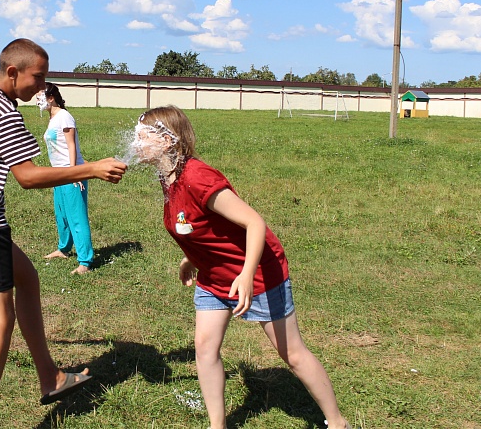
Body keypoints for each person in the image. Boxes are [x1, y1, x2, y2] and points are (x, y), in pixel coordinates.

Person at [0, 38, 127, 429]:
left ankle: (51, 377)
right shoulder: (4, 113)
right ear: (13, 73)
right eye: (39, 77)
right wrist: (90, 168)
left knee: (27, 279)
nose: (43, 86)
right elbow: (27, 177)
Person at [133, 105, 352, 429]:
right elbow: (200, 225)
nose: (135, 145)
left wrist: (247, 275)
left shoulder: (197, 177)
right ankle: (217, 425)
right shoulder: (168, 177)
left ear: (167, 141)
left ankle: (337, 422)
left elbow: (253, 222)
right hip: (215, 277)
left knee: (291, 354)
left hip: (259, 272)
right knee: (205, 348)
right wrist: (192, 259)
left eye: (142, 138)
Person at [37, 83, 94, 275]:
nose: (38, 100)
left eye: (40, 95)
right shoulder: (53, 118)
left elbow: (71, 146)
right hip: (58, 174)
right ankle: (63, 249)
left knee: (76, 217)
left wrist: (74, 173)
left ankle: (85, 262)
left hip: (70, 172)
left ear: (51, 97)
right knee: (61, 214)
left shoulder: (64, 116)